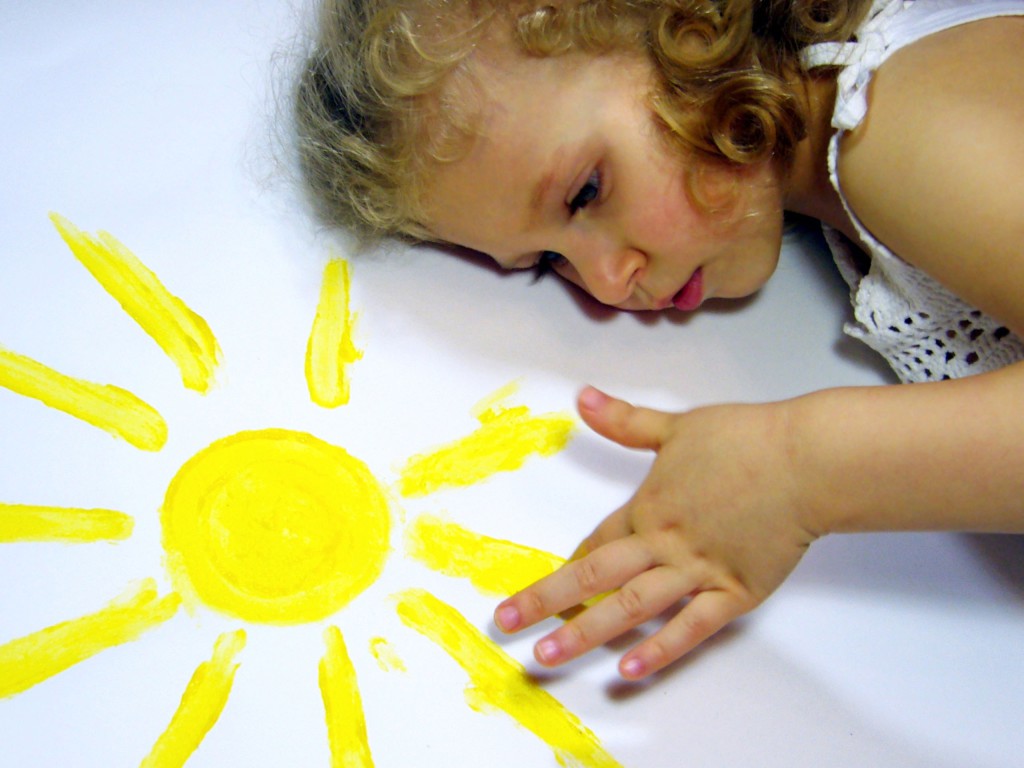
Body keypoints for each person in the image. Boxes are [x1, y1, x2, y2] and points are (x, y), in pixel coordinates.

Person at [293, 0, 1024, 681]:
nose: (608, 281)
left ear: (691, 23)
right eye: (549, 261)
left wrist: (798, 471)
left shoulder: (906, 128)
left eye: (586, 192)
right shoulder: (840, 175)